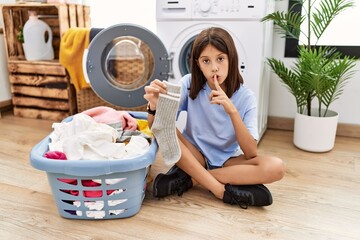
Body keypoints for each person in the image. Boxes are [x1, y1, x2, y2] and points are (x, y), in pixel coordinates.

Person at [143, 27, 285, 208]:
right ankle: (221, 190)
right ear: (198, 64)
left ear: (231, 59)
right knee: (166, 129)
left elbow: (251, 153)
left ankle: (191, 179)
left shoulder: (246, 97)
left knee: (276, 167)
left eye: (220, 59)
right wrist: (154, 107)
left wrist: (232, 111)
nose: (214, 67)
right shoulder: (189, 84)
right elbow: (158, 127)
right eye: (206, 61)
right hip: (195, 153)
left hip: (227, 161)